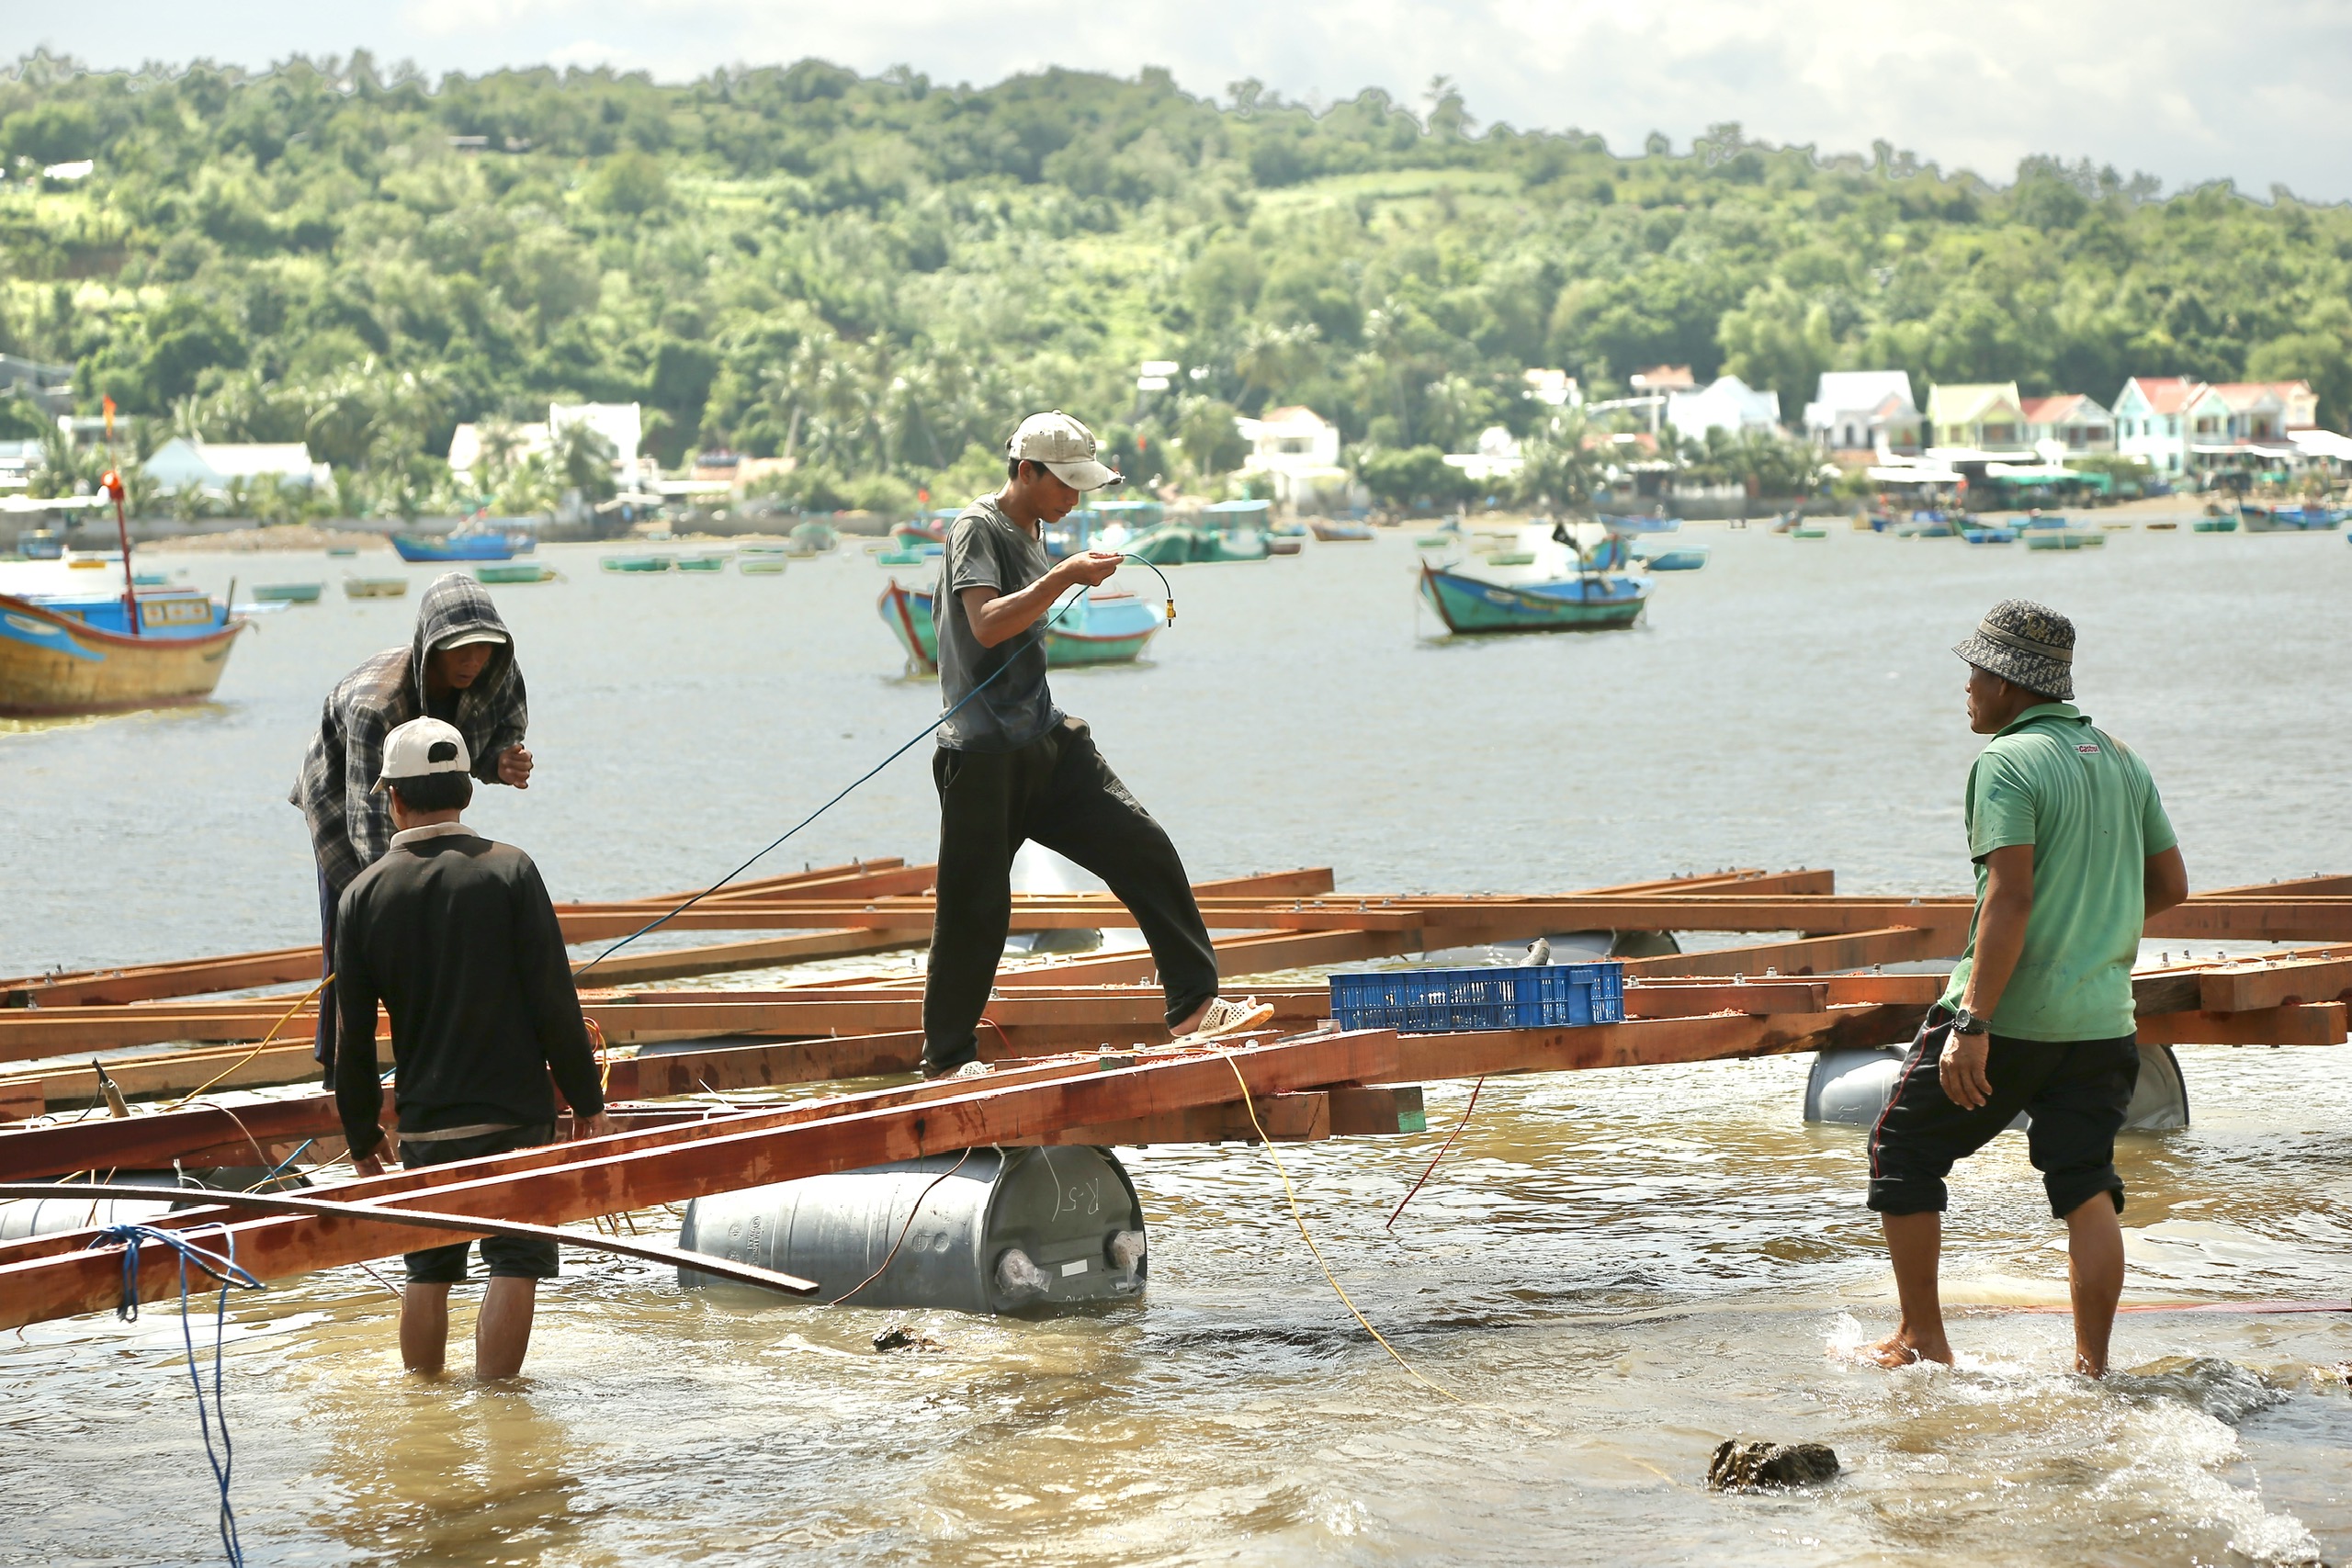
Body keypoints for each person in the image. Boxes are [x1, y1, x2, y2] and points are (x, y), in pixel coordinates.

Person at [1868, 600, 2188, 1377]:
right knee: (2086, 1182)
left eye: (1976, 671)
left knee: (1901, 1152)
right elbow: (2171, 885)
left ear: (2008, 682)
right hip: (2102, 1020)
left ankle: (1921, 1336)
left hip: (2007, 1016)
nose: (1967, 687)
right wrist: (2092, 929)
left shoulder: (2006, 763)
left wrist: (1972, 1021)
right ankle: (2092, 1368)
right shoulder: (2122, 759)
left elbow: (2010, 898)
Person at [922, 410, 1272, 1078]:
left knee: (1143, 845)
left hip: (1044, 740)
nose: (1074, 498)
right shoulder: (977, 527)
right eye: (1065, 484)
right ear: (1026, 471)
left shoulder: (1036, 528)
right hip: (982, 754)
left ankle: (1194, 1005)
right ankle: (947, 1060)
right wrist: (1065, 576)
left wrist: (1064, 572)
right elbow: (986, 624)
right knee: (975, 913)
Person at [332, 717, 612, 1379]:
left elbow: (353, 1037)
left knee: (427, 1268)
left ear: (395, 798)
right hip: (515, 1116)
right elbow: (554, 1001)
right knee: (515, 1260)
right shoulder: (511, 870)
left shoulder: (362, 895)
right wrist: (586, 1100)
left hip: (428, 1122)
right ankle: (500, 1412)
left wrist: (361, 1130)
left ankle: (424, 1410)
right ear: (465, 789)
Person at [292, 572, 533, 1082]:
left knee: (435, 920)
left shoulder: (496, 670)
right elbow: (366, 825)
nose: (473, 661)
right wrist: (392, 906)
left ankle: (433, 1057)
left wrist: (499, 762)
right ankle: (341, 1074)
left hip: (427, 790)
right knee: (354, 930)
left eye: (483, 648)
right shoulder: (377, 707)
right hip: (345, 793)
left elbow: (489, 738)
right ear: (431, 647)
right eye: (459, 650)